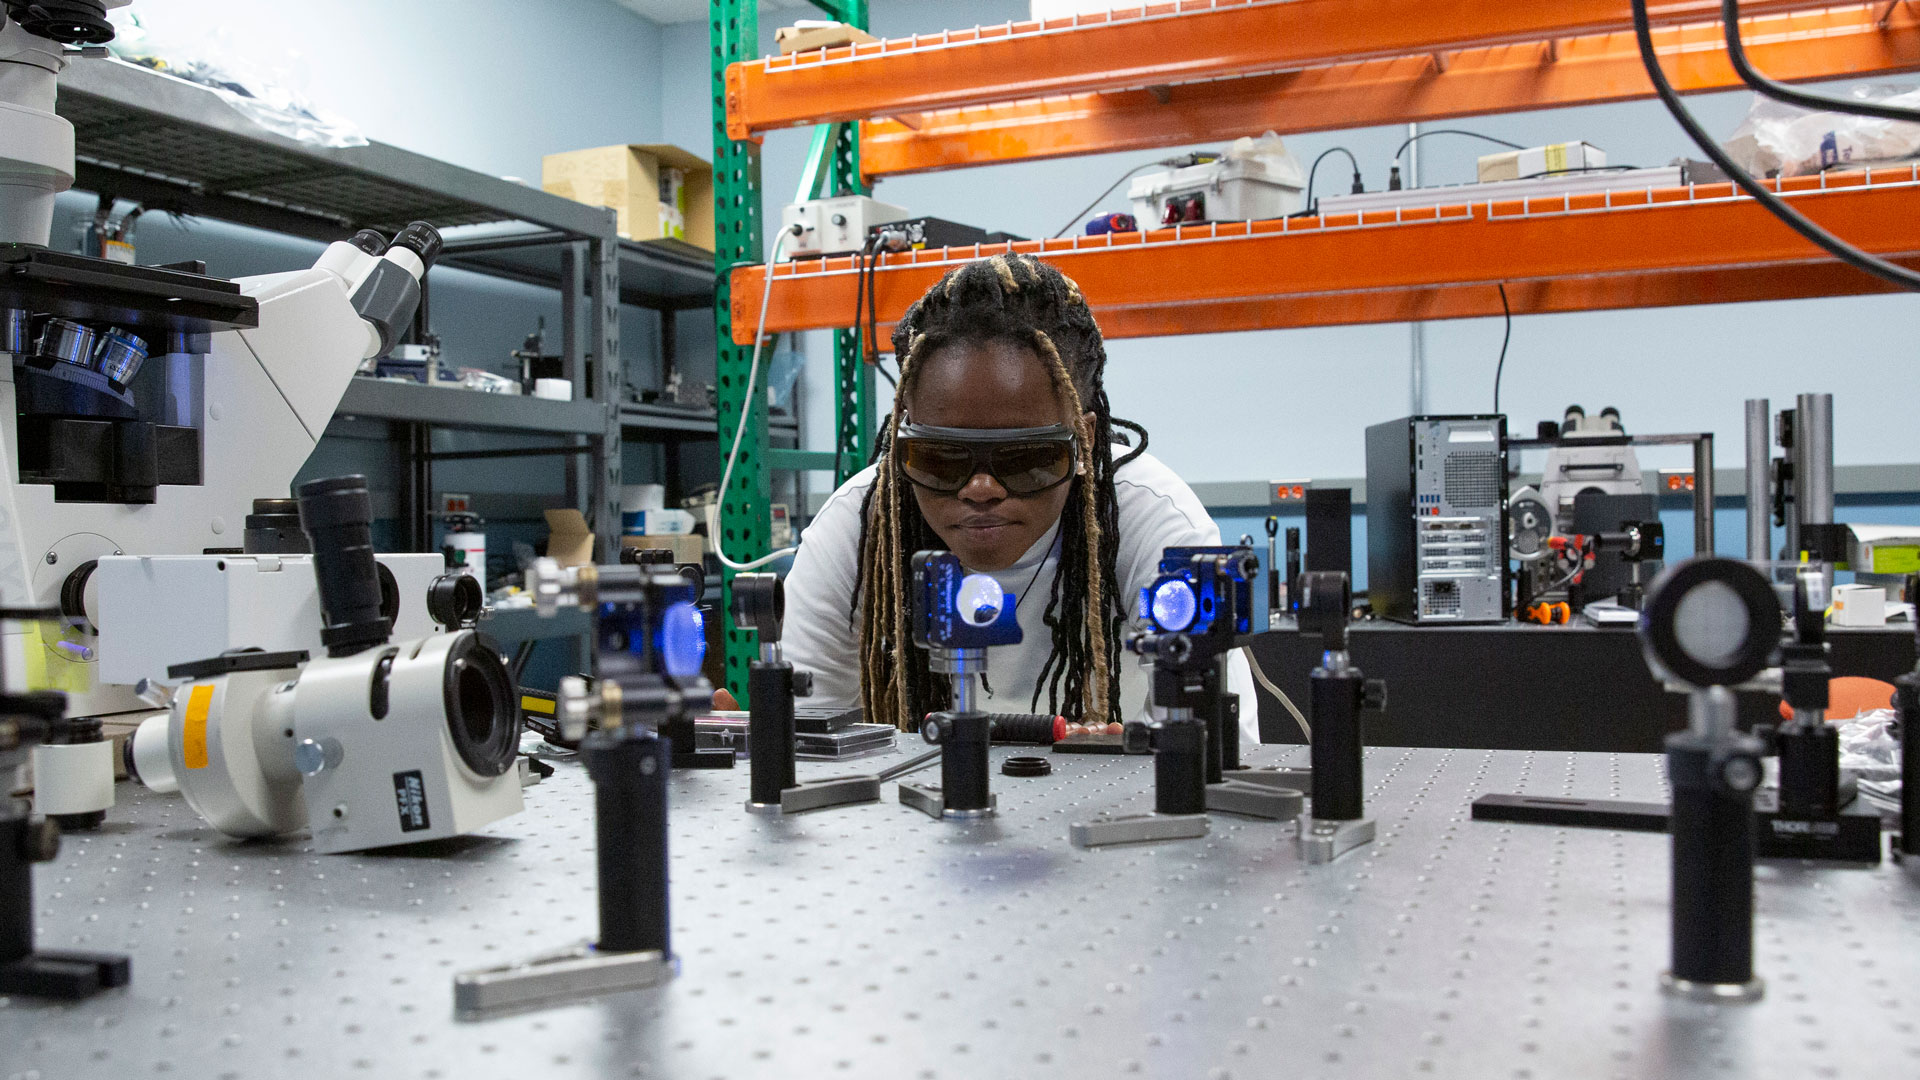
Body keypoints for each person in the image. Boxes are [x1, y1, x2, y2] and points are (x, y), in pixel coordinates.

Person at [778, 252, 1257, 742]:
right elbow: (806, 748)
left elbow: (1222, 756)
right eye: (940, 458)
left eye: (1024, 459)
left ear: (1085, 441)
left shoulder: (1152, 519)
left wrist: (1129, 772)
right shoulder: (860, 526)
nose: (981, 489)